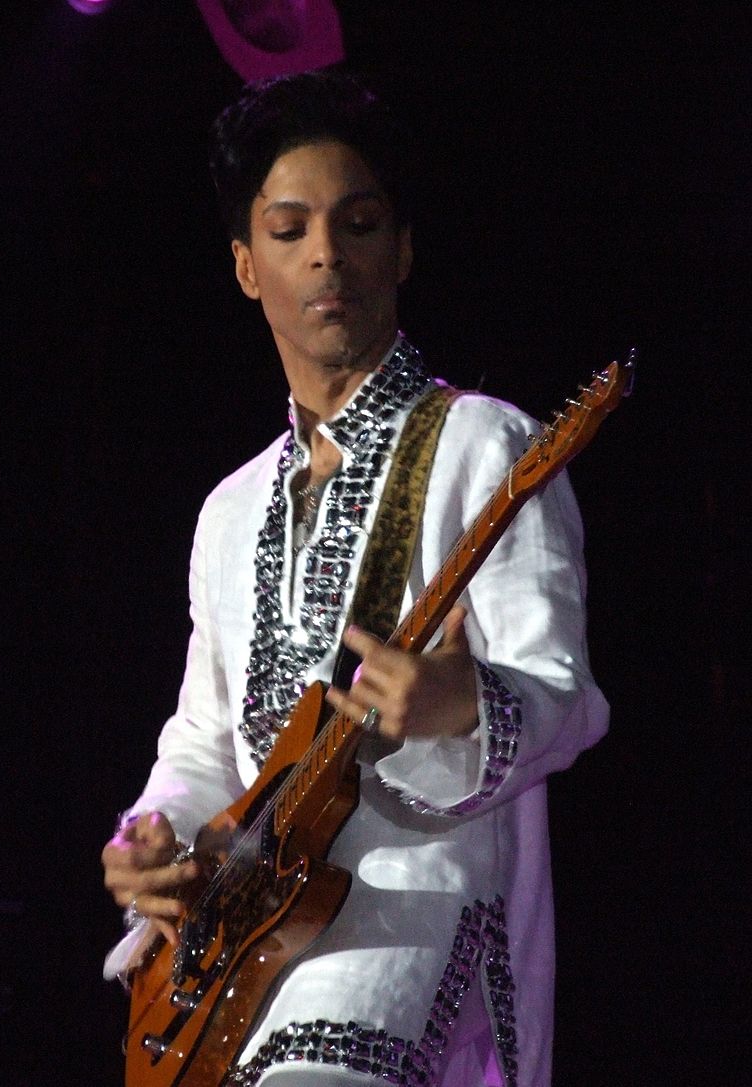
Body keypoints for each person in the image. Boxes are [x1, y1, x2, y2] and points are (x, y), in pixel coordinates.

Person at [101, 69, 609, 1087]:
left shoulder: (483, 444)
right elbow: (207, 740)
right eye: (288, 232)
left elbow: (565, 697)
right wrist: (147, 841)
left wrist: (455, 702)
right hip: (250, 940)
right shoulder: (229, 509)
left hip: (422, 905)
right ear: (246, 267)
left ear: (402, 248)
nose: (326, 253)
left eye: (359, 222)